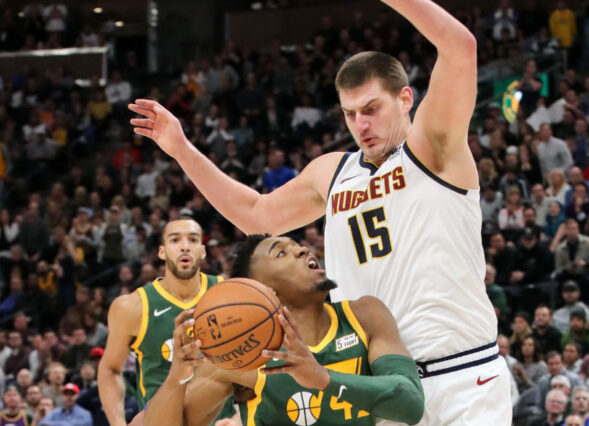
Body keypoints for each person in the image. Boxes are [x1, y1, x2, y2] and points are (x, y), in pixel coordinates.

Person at [129, 0, 511, 422]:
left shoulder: (432, 148)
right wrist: (182, 150)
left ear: (405, 99)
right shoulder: (333, 171)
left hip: (462, 374)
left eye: (370, 109)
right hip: (374, 382)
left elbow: (460, 46)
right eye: (349, 114)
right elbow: (257, 216)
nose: (360, 125)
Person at [140, 235, 424, 426]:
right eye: (281, 253)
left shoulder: (364, 316)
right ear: (264, 291)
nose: (302, 249)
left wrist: (324, 379)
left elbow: (410, 403)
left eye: (296, 245)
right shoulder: (241, 360)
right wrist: (176, 379)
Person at [97, 217, 234, 425]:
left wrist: (237, 418)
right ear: (162, 251)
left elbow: (253, 365)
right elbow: (110, 369)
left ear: (203, 251)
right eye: (175, 240)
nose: (185, 247)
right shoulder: (132, 307)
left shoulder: (230, 295)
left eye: (193, 239)